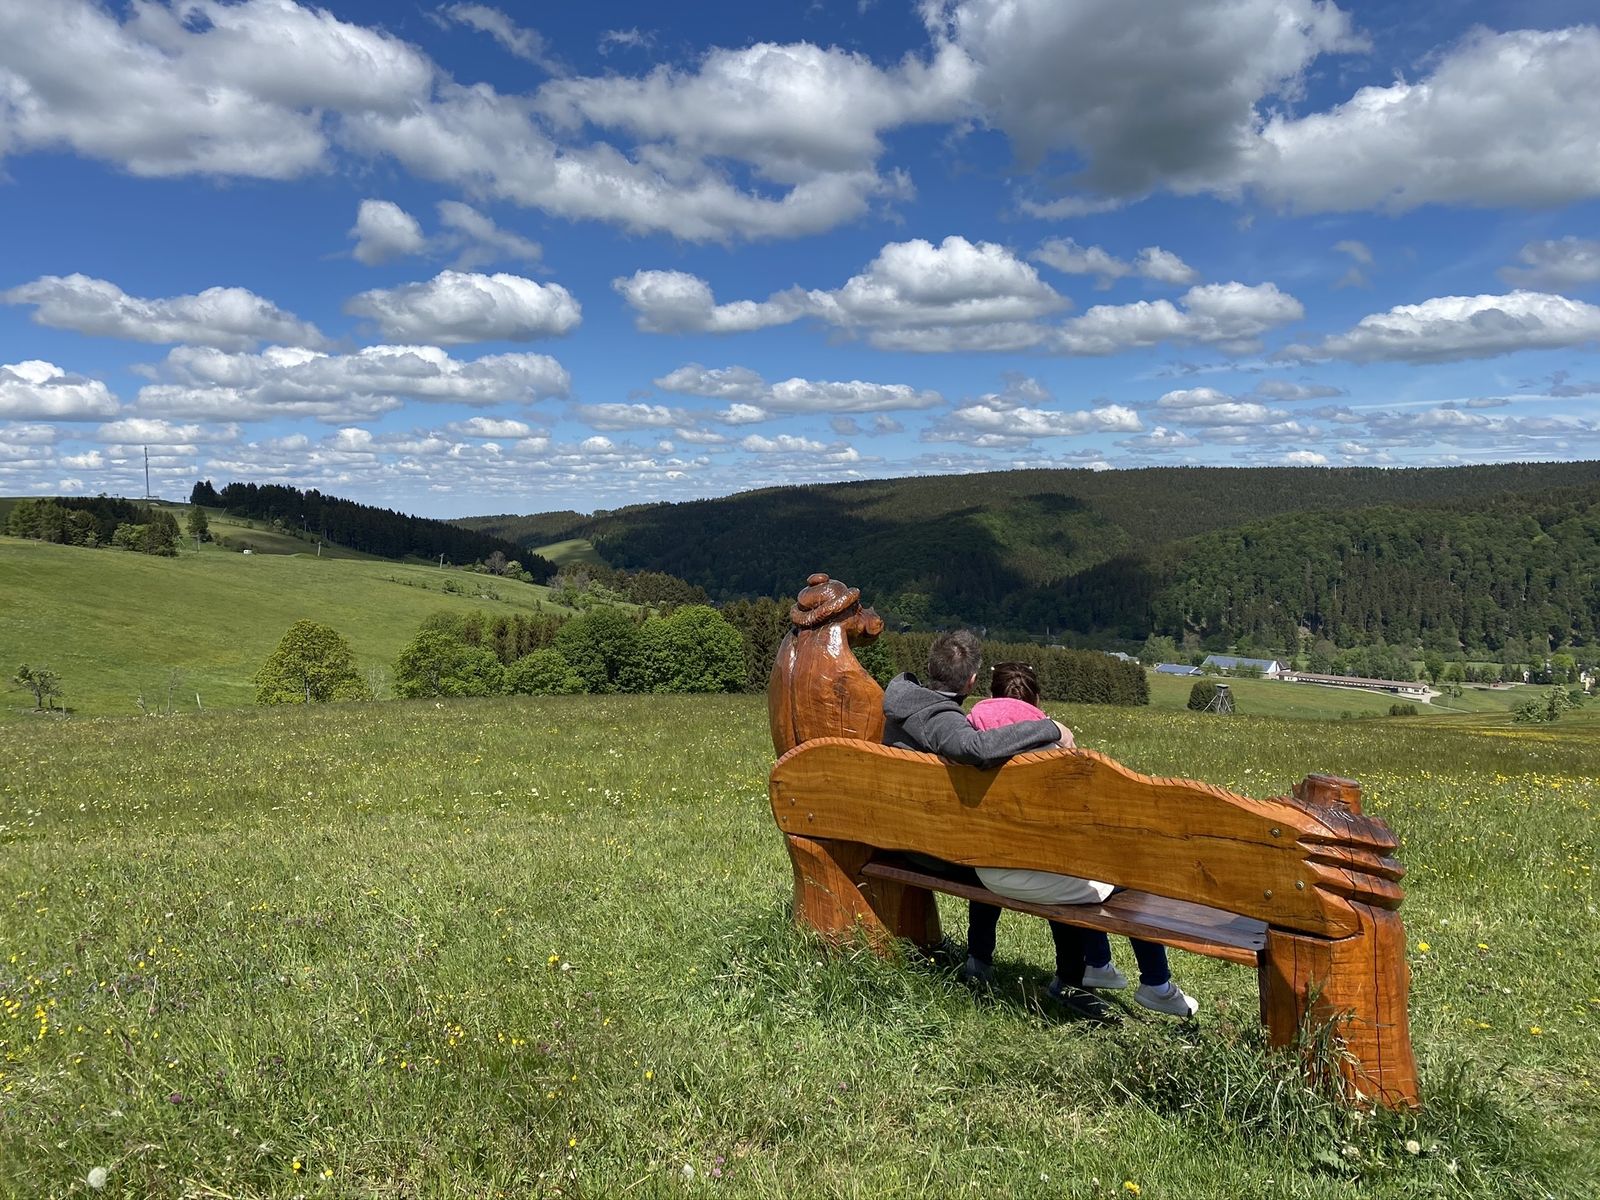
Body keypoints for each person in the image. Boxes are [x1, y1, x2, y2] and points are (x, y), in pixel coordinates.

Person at [882, 631, 1114, 1021]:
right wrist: (1050, 729)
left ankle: (979, 960)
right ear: (972, 681)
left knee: (987, 838)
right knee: (1047, 857)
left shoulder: (902, 704)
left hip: (911, 836)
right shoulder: (939, 719)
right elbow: (973, 749)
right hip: (939, 852)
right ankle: (1069, 980)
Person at [967, 662, 1199, 1019]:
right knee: (1123, 877)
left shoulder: (967, 739)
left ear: (990, 695)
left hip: (984, 871)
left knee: (1053, 863)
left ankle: (1095, 964)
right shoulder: (1053, 746)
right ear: (1038, 701)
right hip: (1039, 875)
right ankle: (1154, 982)